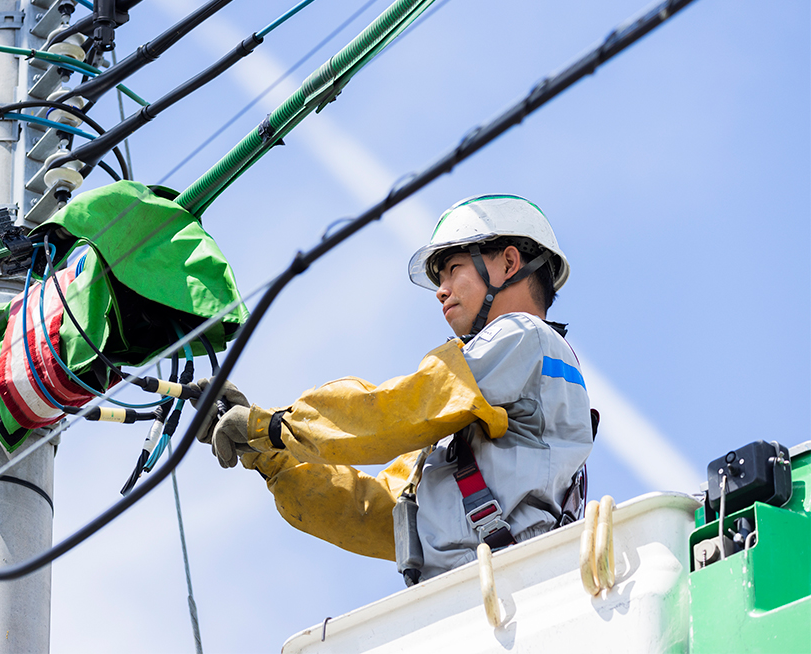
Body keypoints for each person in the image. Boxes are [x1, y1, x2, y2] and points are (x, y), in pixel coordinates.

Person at [198, 194, 594, 583]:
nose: (441, 290)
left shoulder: (523, 338)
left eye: (454, 268)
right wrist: (269, 453)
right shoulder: (462, 424)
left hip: (513, 584)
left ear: (509, 262)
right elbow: (372, 510)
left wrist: (272, 426)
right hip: (472, 595)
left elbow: (398, 411)